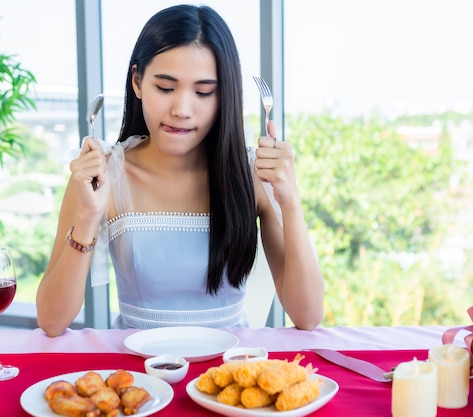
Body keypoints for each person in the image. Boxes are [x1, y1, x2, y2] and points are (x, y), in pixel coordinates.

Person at [37, 4, 323, 336]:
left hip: (228, 375)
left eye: (203, 92)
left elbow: (308, 315)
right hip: (136, 378)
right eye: (166, 88)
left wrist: (289, 201)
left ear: (223, 96)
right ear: (138, 83)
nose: (182, 110)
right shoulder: (102, 176)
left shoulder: (253, 174)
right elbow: (52, 321)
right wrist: (88, 216)